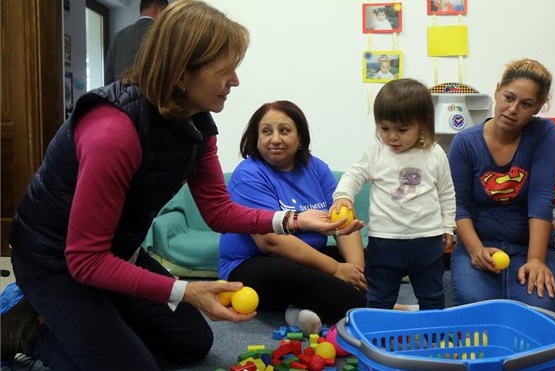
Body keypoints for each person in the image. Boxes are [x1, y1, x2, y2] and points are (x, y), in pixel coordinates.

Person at [4, 1, 361, 370]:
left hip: (116, 251)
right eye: (226, 71)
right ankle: (29, 330)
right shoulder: (112, 132)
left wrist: (296, 221)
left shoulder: (197, 124)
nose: (235, 81)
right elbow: (85, 259)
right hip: (54, 260)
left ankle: (95, 319)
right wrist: (186, 291)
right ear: (180, 74)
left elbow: (218, 211)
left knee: (192, 342)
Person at [218, 100, 367, 336]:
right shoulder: (249, 174)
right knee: (299, 277)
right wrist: (337, 270)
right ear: (255, 138)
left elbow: (343, 220)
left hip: (307, 259)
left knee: (380, 257)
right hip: (254, 263)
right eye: (266, 131)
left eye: (284, 130)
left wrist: (355, 271)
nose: (275, 139)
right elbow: (270, 242)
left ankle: (296, 311)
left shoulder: (316, 168)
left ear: (300, 138)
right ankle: (369, 306)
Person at [448, 58, 555, 313]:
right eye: (508, 97)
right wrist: (475, 250)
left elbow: (542, 200)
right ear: (498, 89)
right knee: (476, 307)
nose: (513, 109)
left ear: (538, 107)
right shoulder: (465, 143)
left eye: (526, 104)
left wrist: (536, 259)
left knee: (540, 310)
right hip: (480, 240)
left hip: (528, 245)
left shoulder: (545, 134)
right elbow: (459, 206)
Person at [332, 78, 456, 310]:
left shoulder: (435, 153)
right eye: (384, 128)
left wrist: (448, 226)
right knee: (379, 295)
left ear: (423, 124)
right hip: (385, 240)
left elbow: (446, 193)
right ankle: (377, 336)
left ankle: (433, 337)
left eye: (402, 130)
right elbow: (353, 176)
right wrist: (343, 196)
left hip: (427, 239)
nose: (392, 137)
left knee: (432, 295)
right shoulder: (376, 154)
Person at [104, 0, 168, 85]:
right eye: (166, 13)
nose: (167, 18)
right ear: (156, 10)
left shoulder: (118, 37)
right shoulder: (164, 35)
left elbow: (109, 77)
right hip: (152, 96)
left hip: (120, 96)